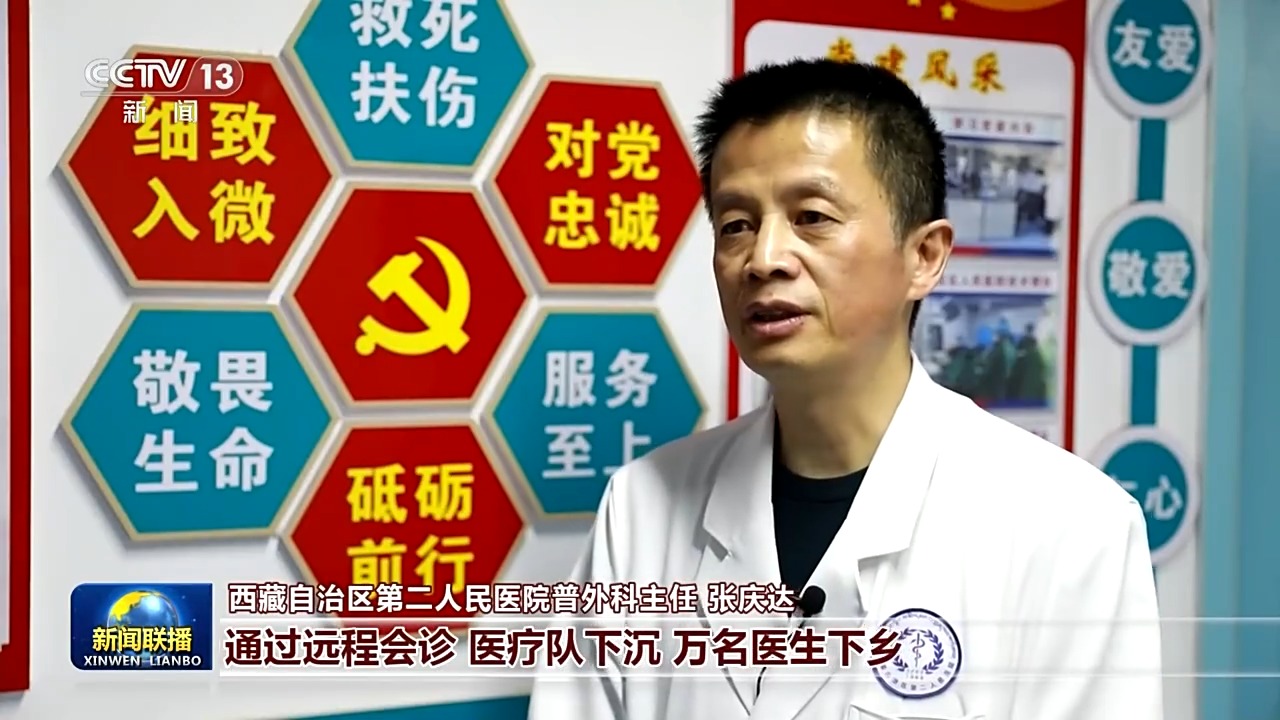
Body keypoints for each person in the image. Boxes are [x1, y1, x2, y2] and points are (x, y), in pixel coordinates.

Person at [527, 58, 1162, 720]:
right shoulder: (642, 507)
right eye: (736, 224)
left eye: (812, 216)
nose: (764, 258)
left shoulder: (1070, 526)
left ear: (924, 257)